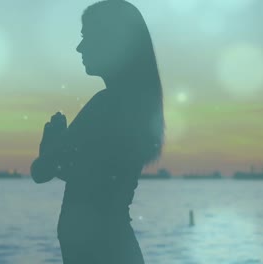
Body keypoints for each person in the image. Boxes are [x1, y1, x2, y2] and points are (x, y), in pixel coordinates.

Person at [30, 0, 165, 263]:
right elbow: (88, 178)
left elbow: (43, 170)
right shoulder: (133, 105)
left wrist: (50, 146)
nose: (79, 47)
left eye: (86, 37)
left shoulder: (107, 105)